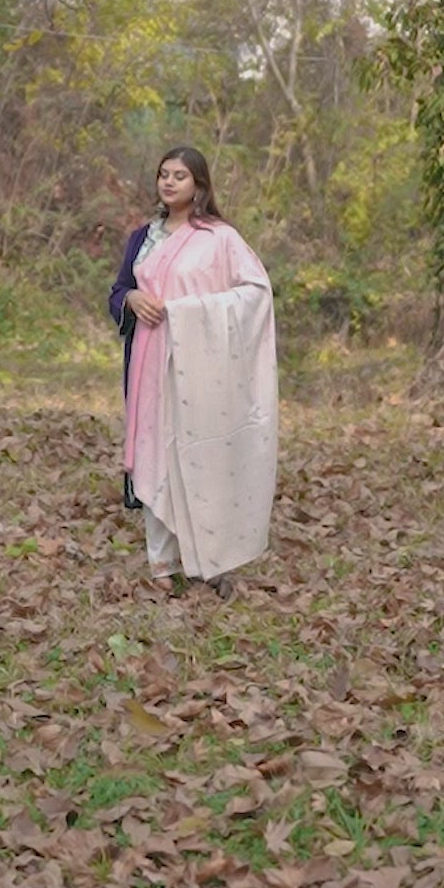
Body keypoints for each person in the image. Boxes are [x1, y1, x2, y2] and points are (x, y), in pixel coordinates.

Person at [109, 146, 278, 598]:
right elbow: (118, 290)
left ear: (198, 185)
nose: (168, 182)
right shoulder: (143, 238)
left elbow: (256, 293)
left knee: (201, 459)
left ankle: (209, 560)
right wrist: (129, 299)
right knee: (155, 455)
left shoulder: (220, 239)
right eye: (163, 174)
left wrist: (186, 312)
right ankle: (161, 563)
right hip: (148, 363)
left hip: (203, 371)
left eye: (179, 176)